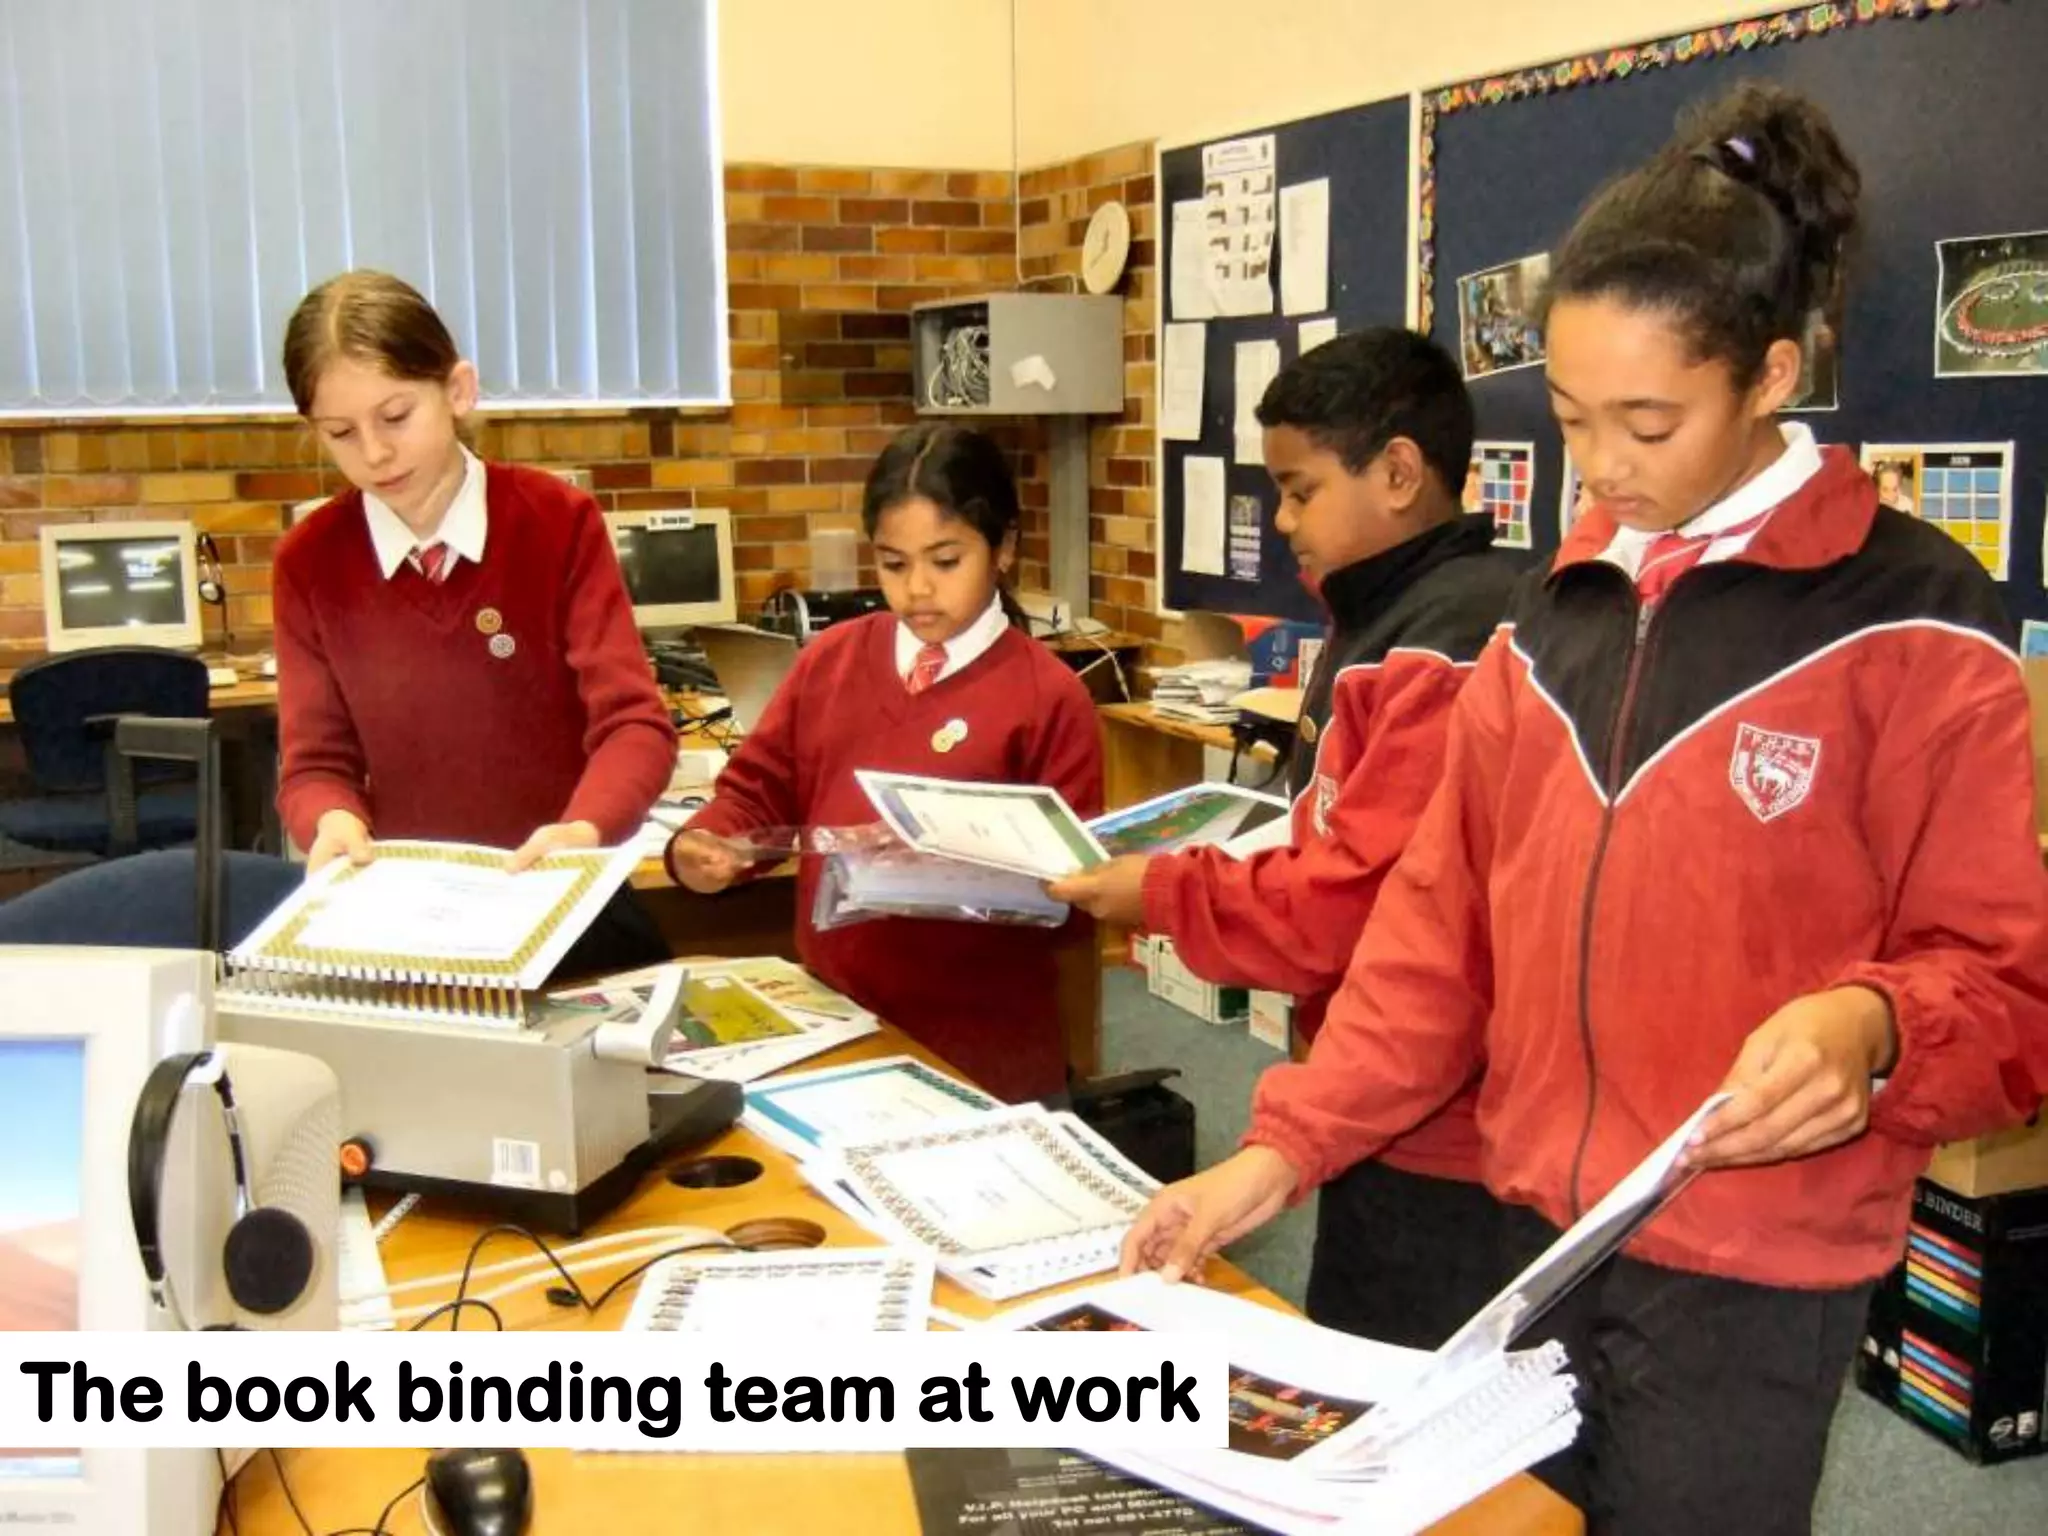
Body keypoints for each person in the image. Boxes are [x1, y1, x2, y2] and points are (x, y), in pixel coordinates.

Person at [1120, 84, 2048, 1534]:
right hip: (1533, 1234)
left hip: (1755, 1266)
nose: (1602, 470)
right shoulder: (1554, 614)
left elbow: (2004, 990)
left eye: (1648, 423)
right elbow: (1435, 936)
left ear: (1773, 376)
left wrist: (1873, 1025)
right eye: (1568, 420)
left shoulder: (1918, 619)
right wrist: (1281, 1146)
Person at [1050, 329, 1520, 1347]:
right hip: (1371, 1097)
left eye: (1299, 490)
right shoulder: (1386, 611)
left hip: (1438, 1126)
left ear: (1398, 472)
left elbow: (1348, 911)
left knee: (1405, 1408)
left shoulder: (1440, 646)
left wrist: (1164, 896)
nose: (1281, 519)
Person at [666, 423, 1103, 1102]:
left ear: (1005, 548)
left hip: (983, 1045)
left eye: (945, 561)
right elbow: (758, 789)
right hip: (837, 1020)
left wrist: (952, 872)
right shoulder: (832, 660)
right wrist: (710, 841)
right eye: (894, 565)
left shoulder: (1048, 696)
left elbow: (1080, 901)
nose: (918, 589)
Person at [272, 269, 676, 975]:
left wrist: (585, 829)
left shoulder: (556, 522)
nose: (374, 453)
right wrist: (329, 820)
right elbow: (315, 765)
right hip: (413, 928)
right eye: (340, 433)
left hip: (564, 904)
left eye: (396, 417)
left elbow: (634, 726)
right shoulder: (310, 562)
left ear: (457, 390)